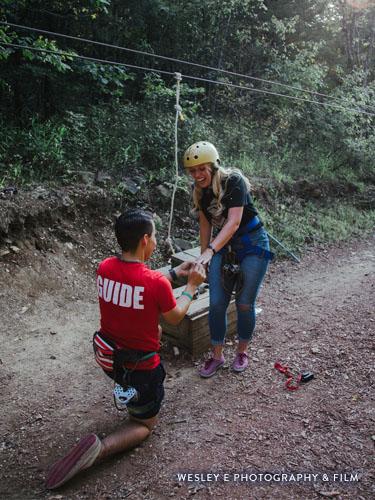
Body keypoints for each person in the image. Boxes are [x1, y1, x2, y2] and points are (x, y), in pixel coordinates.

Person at [46, 209, 205, 489]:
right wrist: (191, 286)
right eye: (154, 236)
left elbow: (135, 282)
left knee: (128, 384)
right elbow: (175, 316)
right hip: (141, 368)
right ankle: (101, 449)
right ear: (145, 239)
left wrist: (172, 273)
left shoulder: (105, 267)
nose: (156, 241)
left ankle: (128, 396)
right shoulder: (154, 283)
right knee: (144, 425)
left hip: (110, 359)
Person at [183, 141, 273, 378]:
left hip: (252, 243)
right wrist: (204, 256)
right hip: (223, 246)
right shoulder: (199, 191)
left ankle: (242, 351)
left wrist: (211, 251)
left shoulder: (234, 181)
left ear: (213, 166)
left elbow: (233, 222)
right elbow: (205, 224)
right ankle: (217, 355)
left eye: (202, 168)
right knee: (216, 304)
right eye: (193, 171)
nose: (197, 174)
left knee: (244, 303)